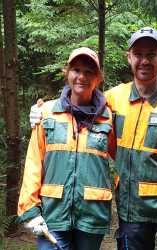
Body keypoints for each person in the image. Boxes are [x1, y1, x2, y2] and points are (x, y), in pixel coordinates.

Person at [29, 27, 157, 250]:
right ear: (129, 57)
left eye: (151, 54)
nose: (144, 61)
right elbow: (79, 106)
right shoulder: (113, 98)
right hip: (131, 211)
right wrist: (43, 110)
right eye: (139, 54)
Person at [17, 47, 115, 250]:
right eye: (76, 70)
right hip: (53, 214)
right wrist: (30, 209)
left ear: (98, 78)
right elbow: (34, 162)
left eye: (89, 72)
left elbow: (123, 160)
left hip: (92, 216)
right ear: (67, 73)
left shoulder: (108, 117)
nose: (82, 76)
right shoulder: (46, 113)